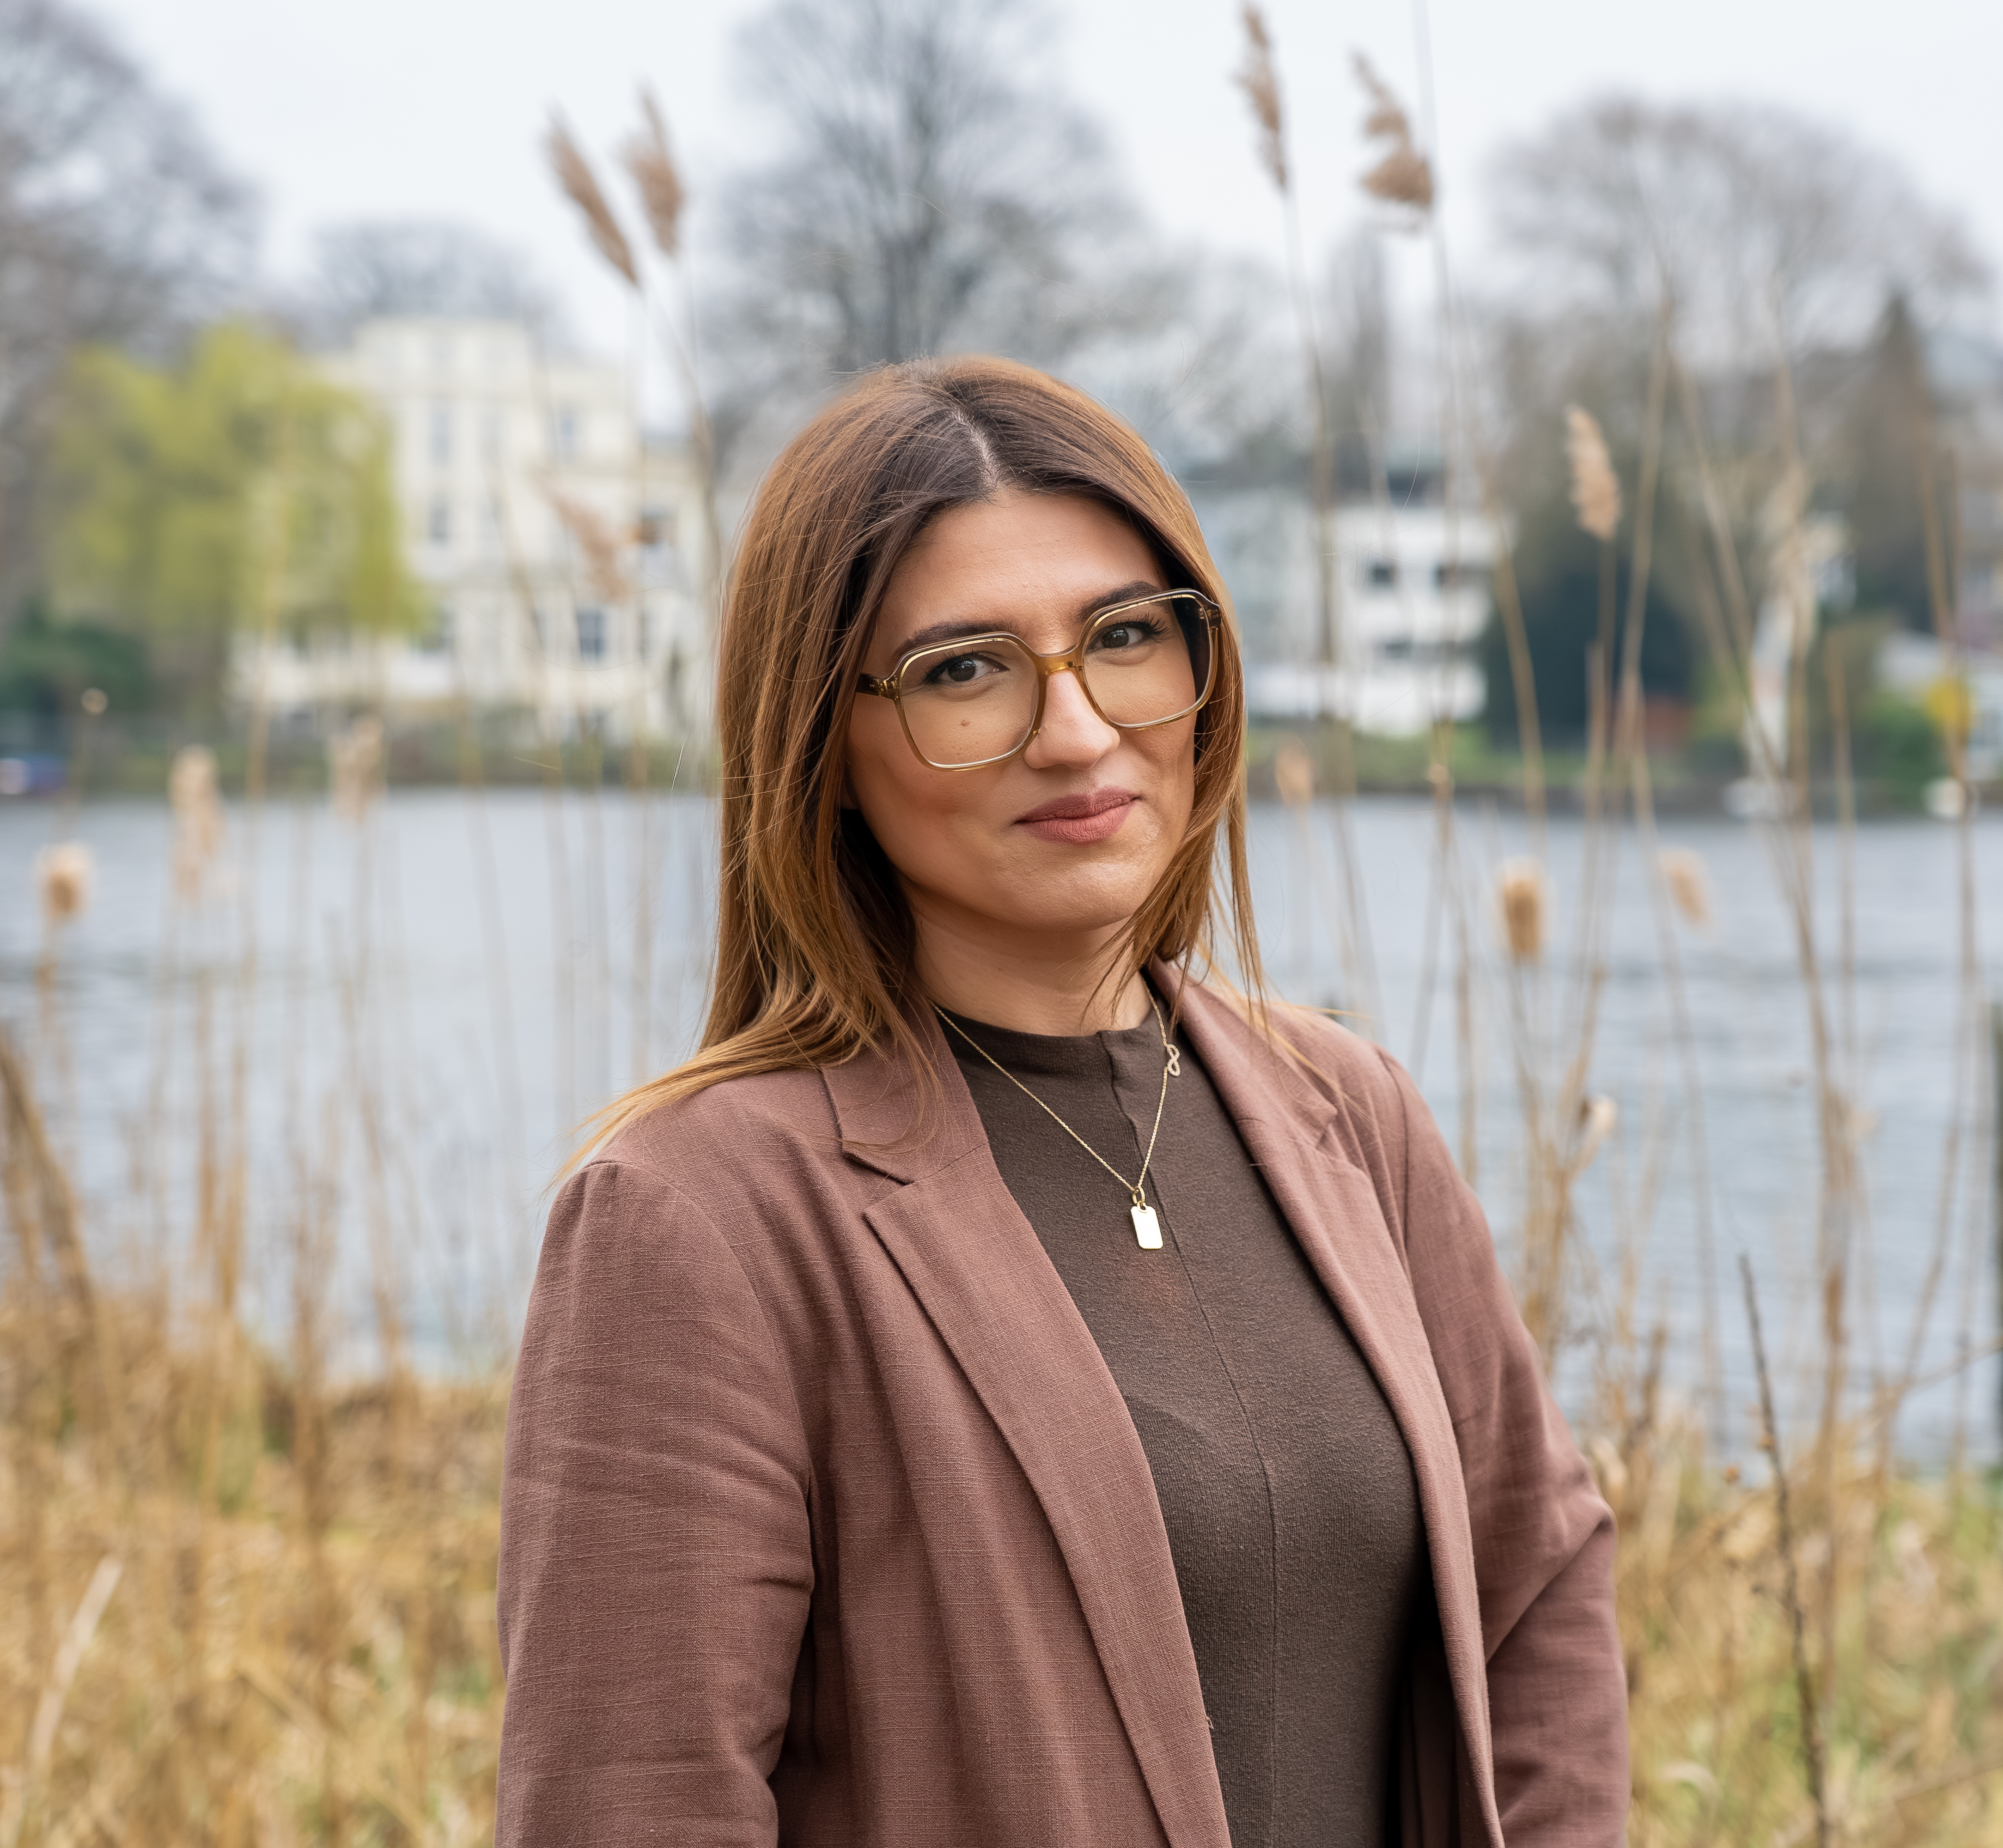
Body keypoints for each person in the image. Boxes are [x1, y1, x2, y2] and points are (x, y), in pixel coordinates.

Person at [497, 356, 1626, 1847]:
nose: (1079, 731)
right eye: (966, 669)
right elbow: (632, 1804)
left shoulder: (1347, 1112)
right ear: (825, 745)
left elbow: (1535, 1592)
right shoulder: (698, 1217)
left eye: (1127, 638)